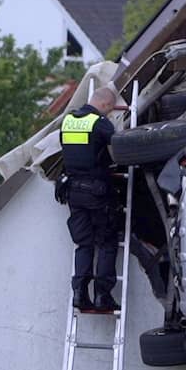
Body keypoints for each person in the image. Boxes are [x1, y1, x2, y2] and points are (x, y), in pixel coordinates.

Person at [60, 87, 120, 313]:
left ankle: (79, 294)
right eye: (110, 110)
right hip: (96, 191)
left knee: (84, 243)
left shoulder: (67, 121)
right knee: (106, 242)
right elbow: (118, 147)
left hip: (73, 192)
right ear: (105, 105)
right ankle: (102, 296)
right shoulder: (100, 122)